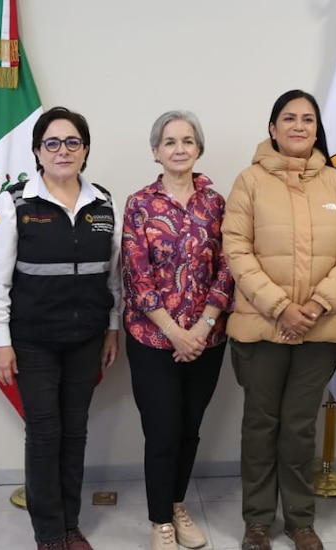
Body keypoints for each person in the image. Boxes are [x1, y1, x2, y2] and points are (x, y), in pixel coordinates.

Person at [222, 90, 336, 550]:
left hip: (320, 331)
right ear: (272, 128)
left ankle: (301, 521)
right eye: (289, 118)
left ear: (317, 129)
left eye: (308, 119)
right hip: (260, 327)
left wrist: (318, 304)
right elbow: (236, 249)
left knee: (300, 428)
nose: (299, 126)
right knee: (260, 426)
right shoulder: (248, 182)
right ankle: (257, 523)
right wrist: (280, 306)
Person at [0, 106, 121, 550]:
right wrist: (0, 342)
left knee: (75, 432)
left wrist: (112, 328)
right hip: (33, 340)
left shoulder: (103, 203)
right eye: (52, 143)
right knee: (44, 433)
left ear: (86, 150)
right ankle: (49, 533)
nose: (63, 151)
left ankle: (70, 524)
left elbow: (113, 276)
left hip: (87, 338)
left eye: (72, 142)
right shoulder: (15, 201)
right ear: (38, 151)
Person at [122, 110, 234, 550]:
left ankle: (176, 504)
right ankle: (160, 522)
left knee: (190, 428)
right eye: (169, 142)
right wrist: (175, 333)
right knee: (163, 431)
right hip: (153, 340)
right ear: (156, 151)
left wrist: (202, 328)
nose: (179, 148)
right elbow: (137, 275)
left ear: (199, 148)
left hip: (208, 338)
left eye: (187, 140)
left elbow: (227, 267)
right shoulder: (139, 204)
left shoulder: (216, 203)